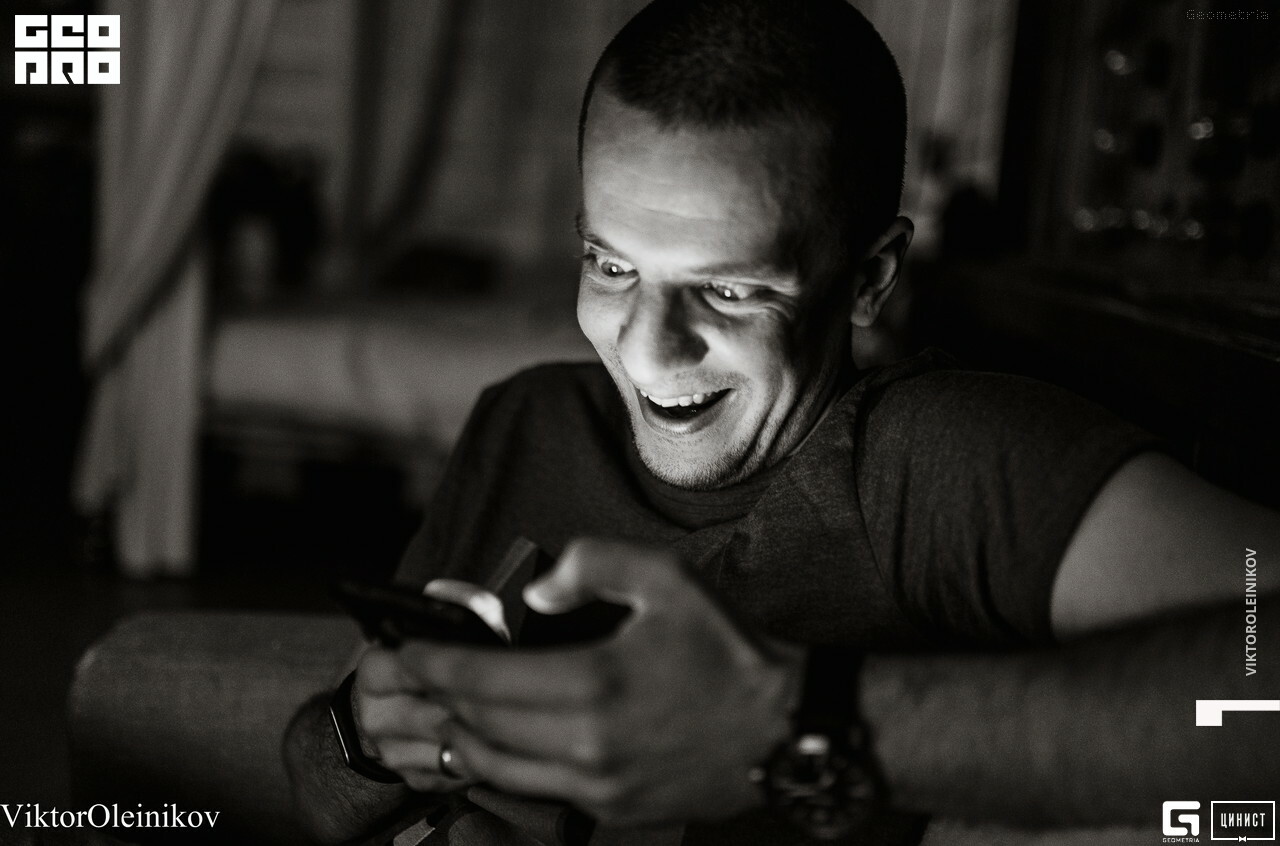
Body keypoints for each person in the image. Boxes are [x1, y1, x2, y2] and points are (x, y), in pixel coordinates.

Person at [284, 0, 1280, 843]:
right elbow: (318, 791)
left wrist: (794, 722)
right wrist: (363, 738)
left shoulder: (938, 462)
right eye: (611, 265)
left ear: (868, 279)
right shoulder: (525, 420)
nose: (647, 350)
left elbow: (1254, 666)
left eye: (729, 290)